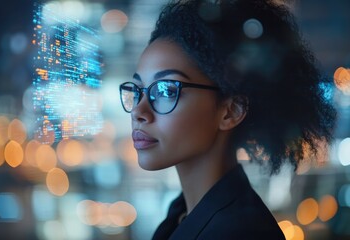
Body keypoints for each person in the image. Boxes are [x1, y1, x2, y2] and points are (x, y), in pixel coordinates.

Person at [119, 0, 336, 239]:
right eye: (137, 90)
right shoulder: (181, 212)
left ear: (231, 111)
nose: (138, 111)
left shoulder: (241, 232)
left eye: (166, 91)